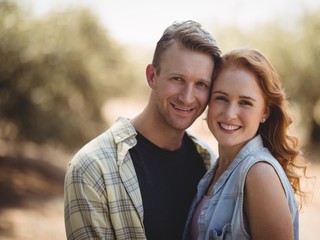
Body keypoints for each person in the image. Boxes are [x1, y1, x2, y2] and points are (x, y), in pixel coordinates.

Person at [64, 20, 221, 240]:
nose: (187, 97)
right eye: (177, 79)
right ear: (151, 76)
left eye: (201, 84)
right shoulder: (92, 167)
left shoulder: (208, 162)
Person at [183, 48, 308, 240]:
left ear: (265, 112)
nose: (230, 113)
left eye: (245, 103)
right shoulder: (215, 169)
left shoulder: (259, 174)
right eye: (221, 98)